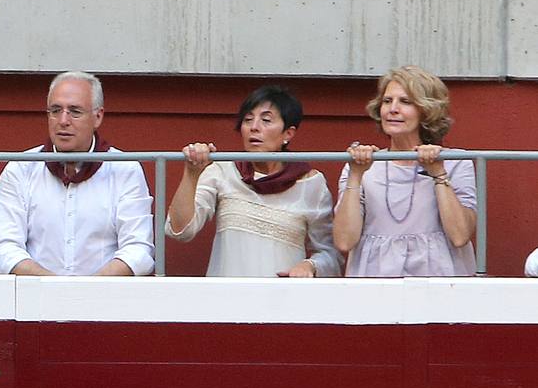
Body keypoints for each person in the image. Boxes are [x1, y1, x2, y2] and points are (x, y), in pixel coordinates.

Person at [0, 71, 153, 276]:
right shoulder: (21, 168)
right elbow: (4, 249)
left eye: (75, 111)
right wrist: (55, 288)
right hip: (33, 300)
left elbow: (138, 249)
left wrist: (85, 291)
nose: (63, 120)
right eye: (55, 110)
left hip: (106, 301)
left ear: (98, 116)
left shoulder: (124, 169)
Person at [166, 85, 342, 277]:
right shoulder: (223, 171)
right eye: (248, 120)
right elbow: (180, 230)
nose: (254, 127)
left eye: (266, 120)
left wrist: (310, 265)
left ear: (288, 134)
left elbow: (330, 254)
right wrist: (192, 174)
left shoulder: (310, 183)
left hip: (282, 299)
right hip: (226, 300)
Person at [333, 66, 476, 277]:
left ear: (426, 110)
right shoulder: (361, 167)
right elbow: (344, 241)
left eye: (405, 102)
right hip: (377, 284)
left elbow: (459, 235)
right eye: (387, 101)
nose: (393, 109)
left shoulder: (455, 162)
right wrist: (356, 175)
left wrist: (438, 174)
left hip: (440, 283)